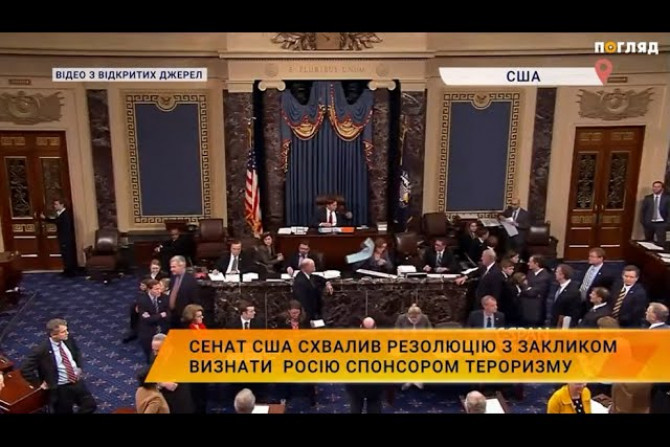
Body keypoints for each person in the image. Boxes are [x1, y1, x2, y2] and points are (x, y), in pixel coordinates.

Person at [21, 318, 97, 413]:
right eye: (63, 332)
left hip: (76, 381)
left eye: (66, 330)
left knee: (90, 405)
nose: (67, 333)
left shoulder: (68, 339)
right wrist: (38, 383)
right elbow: (25, 369)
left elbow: (76, 352)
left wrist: (79, 367)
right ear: (53, 335)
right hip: (61, 388)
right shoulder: (41, 350)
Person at [41, 199, 77, 277]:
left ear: (62, 205)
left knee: (67, 255)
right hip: (64, 238)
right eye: (54, 204)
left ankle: (70, 272)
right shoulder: (61, 214)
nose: (55, 206)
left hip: (66, 238)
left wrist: (45, 218)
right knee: (64, 255)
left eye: (56, 204)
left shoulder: (65, 215)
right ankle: (66, 270)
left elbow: (57, 222)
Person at [640, 180, 669, 245]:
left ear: (662, 188)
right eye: (654, 187)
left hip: (661, 223)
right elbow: (643, 211)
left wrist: (667, 223)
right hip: (649, 223)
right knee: (648, 242)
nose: (655, 188)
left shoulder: (667, 198)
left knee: (661, 242)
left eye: (658, 187)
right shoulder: (648, 198)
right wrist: (643, 222)